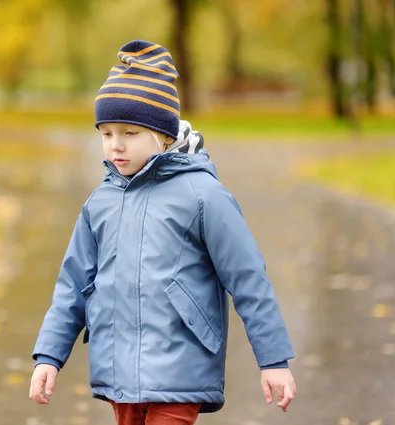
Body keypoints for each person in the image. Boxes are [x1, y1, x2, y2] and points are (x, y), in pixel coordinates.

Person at [29, 39, 296, 425]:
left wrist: (273, 360)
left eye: (129, 133)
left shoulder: (203, 195)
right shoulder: (101, 201)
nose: (115, 146)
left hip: (180, 365)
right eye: (106, 134)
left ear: (164, 135)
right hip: (118, 369)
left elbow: (248, 278)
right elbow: (73, 283)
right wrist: (49, 356)